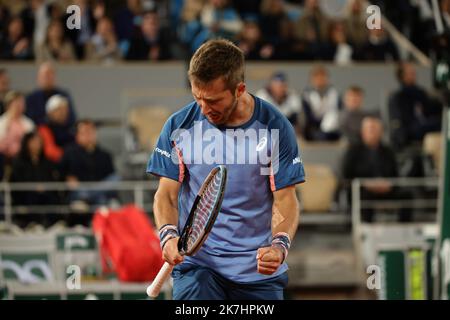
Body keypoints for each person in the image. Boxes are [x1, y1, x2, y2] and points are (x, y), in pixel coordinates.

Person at [147, 39, 304, 300]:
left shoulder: (276, 127)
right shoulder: (179, 126)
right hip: (198, 267)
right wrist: (167, 234)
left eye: (213, 100)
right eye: (197, 98)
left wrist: (279, 246)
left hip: (257, 272)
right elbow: (166, 195)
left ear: (239, 89)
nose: (204, 108)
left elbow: (286, 200)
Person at [342, 116, 411, 222]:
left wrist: (388, 184)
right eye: (370, 129)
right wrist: (367, 184)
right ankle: (365, 229)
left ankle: (404, 229)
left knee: (407, 194)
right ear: (363, 132)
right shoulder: (353, 151)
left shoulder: (388, 151)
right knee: (363, 197)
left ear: (381, 132)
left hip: (385, 190)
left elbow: (395, 174)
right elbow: (346, 175)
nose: (372, 132)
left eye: (375, 129)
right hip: (363, 189)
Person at [60, 119, 118, 207]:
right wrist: (68, 177)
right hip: (79, 193)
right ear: (77, 135)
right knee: (82, 193)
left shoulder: (105, 155)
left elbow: (111, 179)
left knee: (115, 179)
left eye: (91, 131)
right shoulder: (69, 153)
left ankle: (91, 195)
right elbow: (62, 173)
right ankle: (90, 195)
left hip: (100, 193)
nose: (88, 135)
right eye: (84, 132)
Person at [9, 131, 61, 228]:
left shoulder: (47, 162)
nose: (37, 145)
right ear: (27, 143)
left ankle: (50, 223)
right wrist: (33, 187)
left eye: (39, 142)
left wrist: (44, 187)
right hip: (26, 194)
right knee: (29, 197)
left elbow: (51, 178)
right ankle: (31, 223)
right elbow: (16, 180)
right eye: (34, 142)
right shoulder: (18, 162)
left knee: (52, 198)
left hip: (45, 193)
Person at [388, 62, 442, 149]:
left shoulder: (420, 93)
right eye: (410, 73)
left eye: (414, 72)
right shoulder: (398, 97)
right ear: (402, 76)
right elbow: (399, 123)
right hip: (411, 131)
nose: (414, 74)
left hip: (427, 128)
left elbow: (432, 108)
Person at [25, 62, 77, 127]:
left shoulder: (64, 95)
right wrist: (49, 118)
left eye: (50, 74)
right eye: (45, 75)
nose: (48, 78)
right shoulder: (31, 98)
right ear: (38, 77)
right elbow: (29, 121)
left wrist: (62, 117)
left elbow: (72, 119)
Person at [301, 65, 341, 141]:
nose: (320, 80)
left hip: (331, 129)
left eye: (323, 77)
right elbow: (307, 116)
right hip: (313, 128)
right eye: (317, 77)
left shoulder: (334, 93)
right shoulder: (306, 94)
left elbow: (337, 111)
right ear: (312, 79)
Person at [38, 94, 75, 163]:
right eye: (59, 110)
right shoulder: (44, 128)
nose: (63, 113)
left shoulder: (71, 127)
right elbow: (50, 151)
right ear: (50, 113)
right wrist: (70, 156)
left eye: (65, 109)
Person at [0, 91, 35, 160]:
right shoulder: (1, 122)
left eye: (21, 103)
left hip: (25, 157)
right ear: (8, 105)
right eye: (16, 103)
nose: (19, 106)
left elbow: (32, 143)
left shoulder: (29, 123)